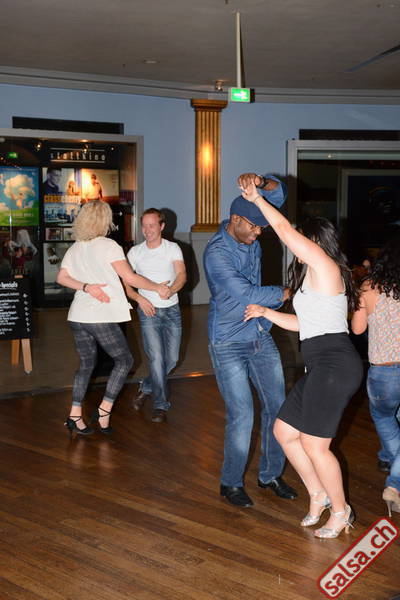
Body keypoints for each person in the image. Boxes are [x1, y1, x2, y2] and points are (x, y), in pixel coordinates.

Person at [242, 178, 363, 538]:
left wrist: (257, 199)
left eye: (303, 239)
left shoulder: (325, 266)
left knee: (314, 444)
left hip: (335, 366)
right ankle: (318, 494)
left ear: (315, 242)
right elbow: (305, 325)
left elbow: (282, 229)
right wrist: (267, 312)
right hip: (321, 365)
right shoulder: (312, 279)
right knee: (284, 431)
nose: (296, 244)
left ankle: (341, 511)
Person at [203, 172, 297, 508]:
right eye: (254, 227)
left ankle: (270, 475)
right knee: (242, 414)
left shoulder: (248, 227)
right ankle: (230, 483)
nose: (258, 233)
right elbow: (248, 294)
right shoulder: (216, 253)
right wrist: (286, 292)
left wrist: (262, 182)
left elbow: (279, 194)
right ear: (236, 220)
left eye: (261, 228)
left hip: (258, 333)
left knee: (278, 407)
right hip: (228, 342)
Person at [56, 200, 171, 437]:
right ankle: (104, 410)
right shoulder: (109, 246)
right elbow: (130, 278)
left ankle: (75, 415)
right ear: (104, 220)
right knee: (125, 361)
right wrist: (157, 287)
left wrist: (86, 287)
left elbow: (62, 278)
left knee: (86, 364)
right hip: (100, 316)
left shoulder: (77, 246)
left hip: (77, 316)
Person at [351, 237, 400, 516]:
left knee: (384, 418)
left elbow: (357, 330)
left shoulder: (369, 287)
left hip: (383, 371)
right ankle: (395, 482)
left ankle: (395, 482)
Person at [125, 208, 186, 423]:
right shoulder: (135, 253)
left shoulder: (173, 248)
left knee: (172, 359)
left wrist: (171, 290)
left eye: (152, 225)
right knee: (157, 358)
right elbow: (127, 284)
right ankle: (160, 405)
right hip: (148, 311)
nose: (147, 230)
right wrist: (139, 299)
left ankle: (147, 387)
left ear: (162, 226)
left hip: (172, 310)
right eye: (144, 226)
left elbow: (181, 274)